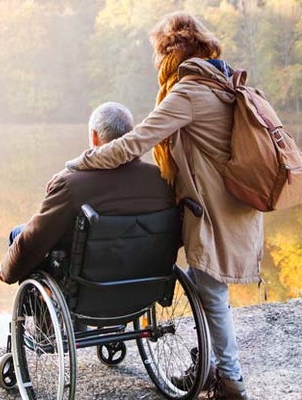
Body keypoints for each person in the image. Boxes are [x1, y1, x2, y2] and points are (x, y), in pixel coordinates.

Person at [63, 12, 262, 400]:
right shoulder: (220, 81)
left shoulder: (189, 92)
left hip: (213, 212)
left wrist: (82, 161)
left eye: (158, 53)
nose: (156, 61)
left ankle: (230, 380)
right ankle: (209, 367)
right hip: (235, 205)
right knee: (205, 287)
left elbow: (135, 143)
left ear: (171, 52)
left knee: (211, 293)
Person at [0, 102, 174, 284]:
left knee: (19, 234)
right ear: (131, 135)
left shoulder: (70, 185)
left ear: (94, 136)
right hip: (144, 283)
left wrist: (7, 272)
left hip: (87, 286)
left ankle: (36, 300)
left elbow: (35, 240)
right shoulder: (162, 179)